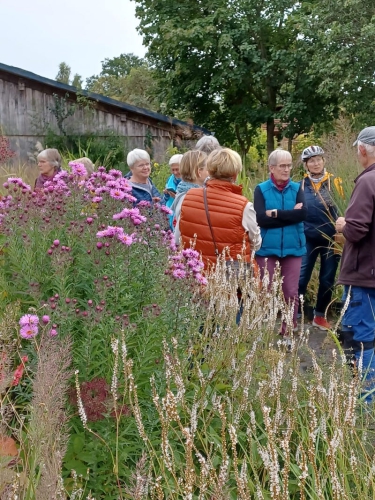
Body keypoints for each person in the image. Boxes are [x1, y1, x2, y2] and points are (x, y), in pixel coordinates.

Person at [335, 126, 375, 401]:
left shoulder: (367, 181)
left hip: (364, 274)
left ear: (362, 149)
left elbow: (357, 230)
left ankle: (363, 400)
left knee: (360, 338)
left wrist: (343, 225)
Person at [178, 148, 261, 268]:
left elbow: (180, 235)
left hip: (195, 272)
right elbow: (256, 243)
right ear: (235, 174)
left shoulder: (189, 196)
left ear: (210, 171)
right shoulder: (244, 206)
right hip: (230, 275)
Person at [254, 149, 307, 338]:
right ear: (272, 168)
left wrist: (275, 213)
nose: (286, 169)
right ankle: (263, 331)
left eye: (289, 165)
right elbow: (260, 219)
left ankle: (288, 331)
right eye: (282, 166)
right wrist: (290, 215)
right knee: (265, 291)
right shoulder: (261, 189)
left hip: (293, 248)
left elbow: (302, 214)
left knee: (291, 292)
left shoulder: (297, 188)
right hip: (267, 248)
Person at [298, 146, 341, 330]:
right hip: (307, 236)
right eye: (311, 161)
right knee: (301, 277)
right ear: (306, 165)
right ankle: (296, 313)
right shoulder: (300, 185)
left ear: (323, 161)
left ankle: (320, 316)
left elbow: (342, 209)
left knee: (327, 278)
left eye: (318, 159)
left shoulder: (335, 182)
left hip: (330, 238)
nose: (316, 163)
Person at [173, 150, 208, 242]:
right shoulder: (187, 198)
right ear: (199, 171)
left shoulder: (183, 191)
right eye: (207, 169)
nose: (209, 172)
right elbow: (177, 237)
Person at [163, 154, 183, 229]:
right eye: (172, 170)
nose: (175, 172)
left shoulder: (188, 181)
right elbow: (164, 200)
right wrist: (166, 194)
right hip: (170, 214)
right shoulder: (170, 180)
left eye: (177, 169)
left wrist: (177, 197)